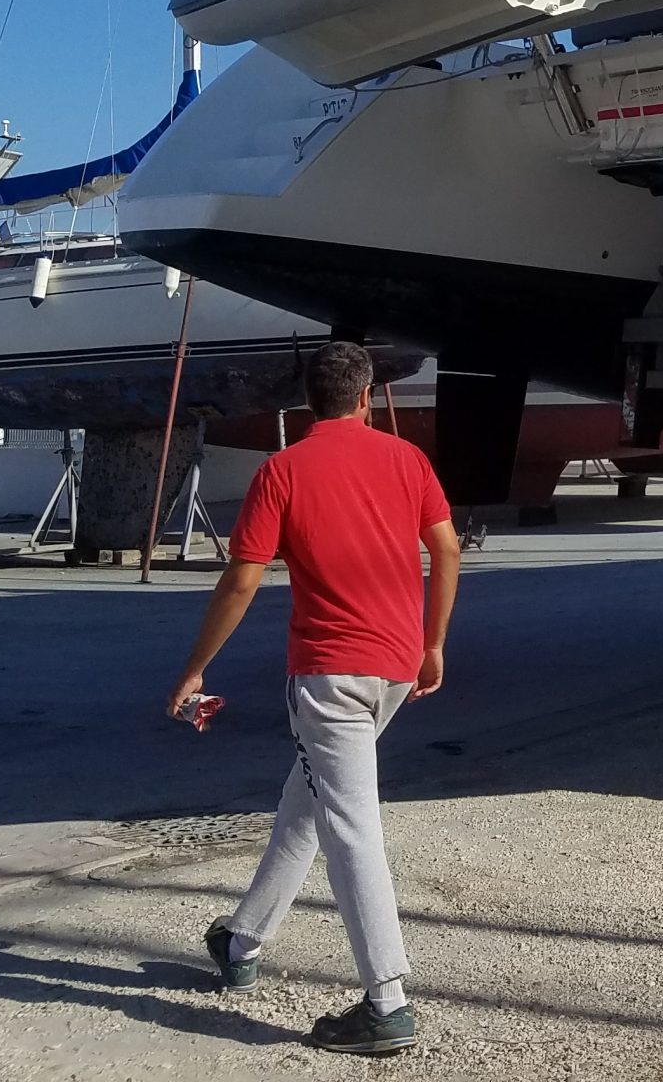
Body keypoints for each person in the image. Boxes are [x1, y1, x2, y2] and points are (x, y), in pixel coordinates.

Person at [167, 339, 460, 1056]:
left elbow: (242, 579)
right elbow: (447, 548)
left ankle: (387, 1003)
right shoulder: (407, 460)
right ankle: (241, 943)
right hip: (392, 669)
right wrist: (433, 644)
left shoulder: (282, 472)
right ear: (364, 397)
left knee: (350, 826)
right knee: (307, 805)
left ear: (307, 401)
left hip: (329, 676)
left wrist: (196, 667)